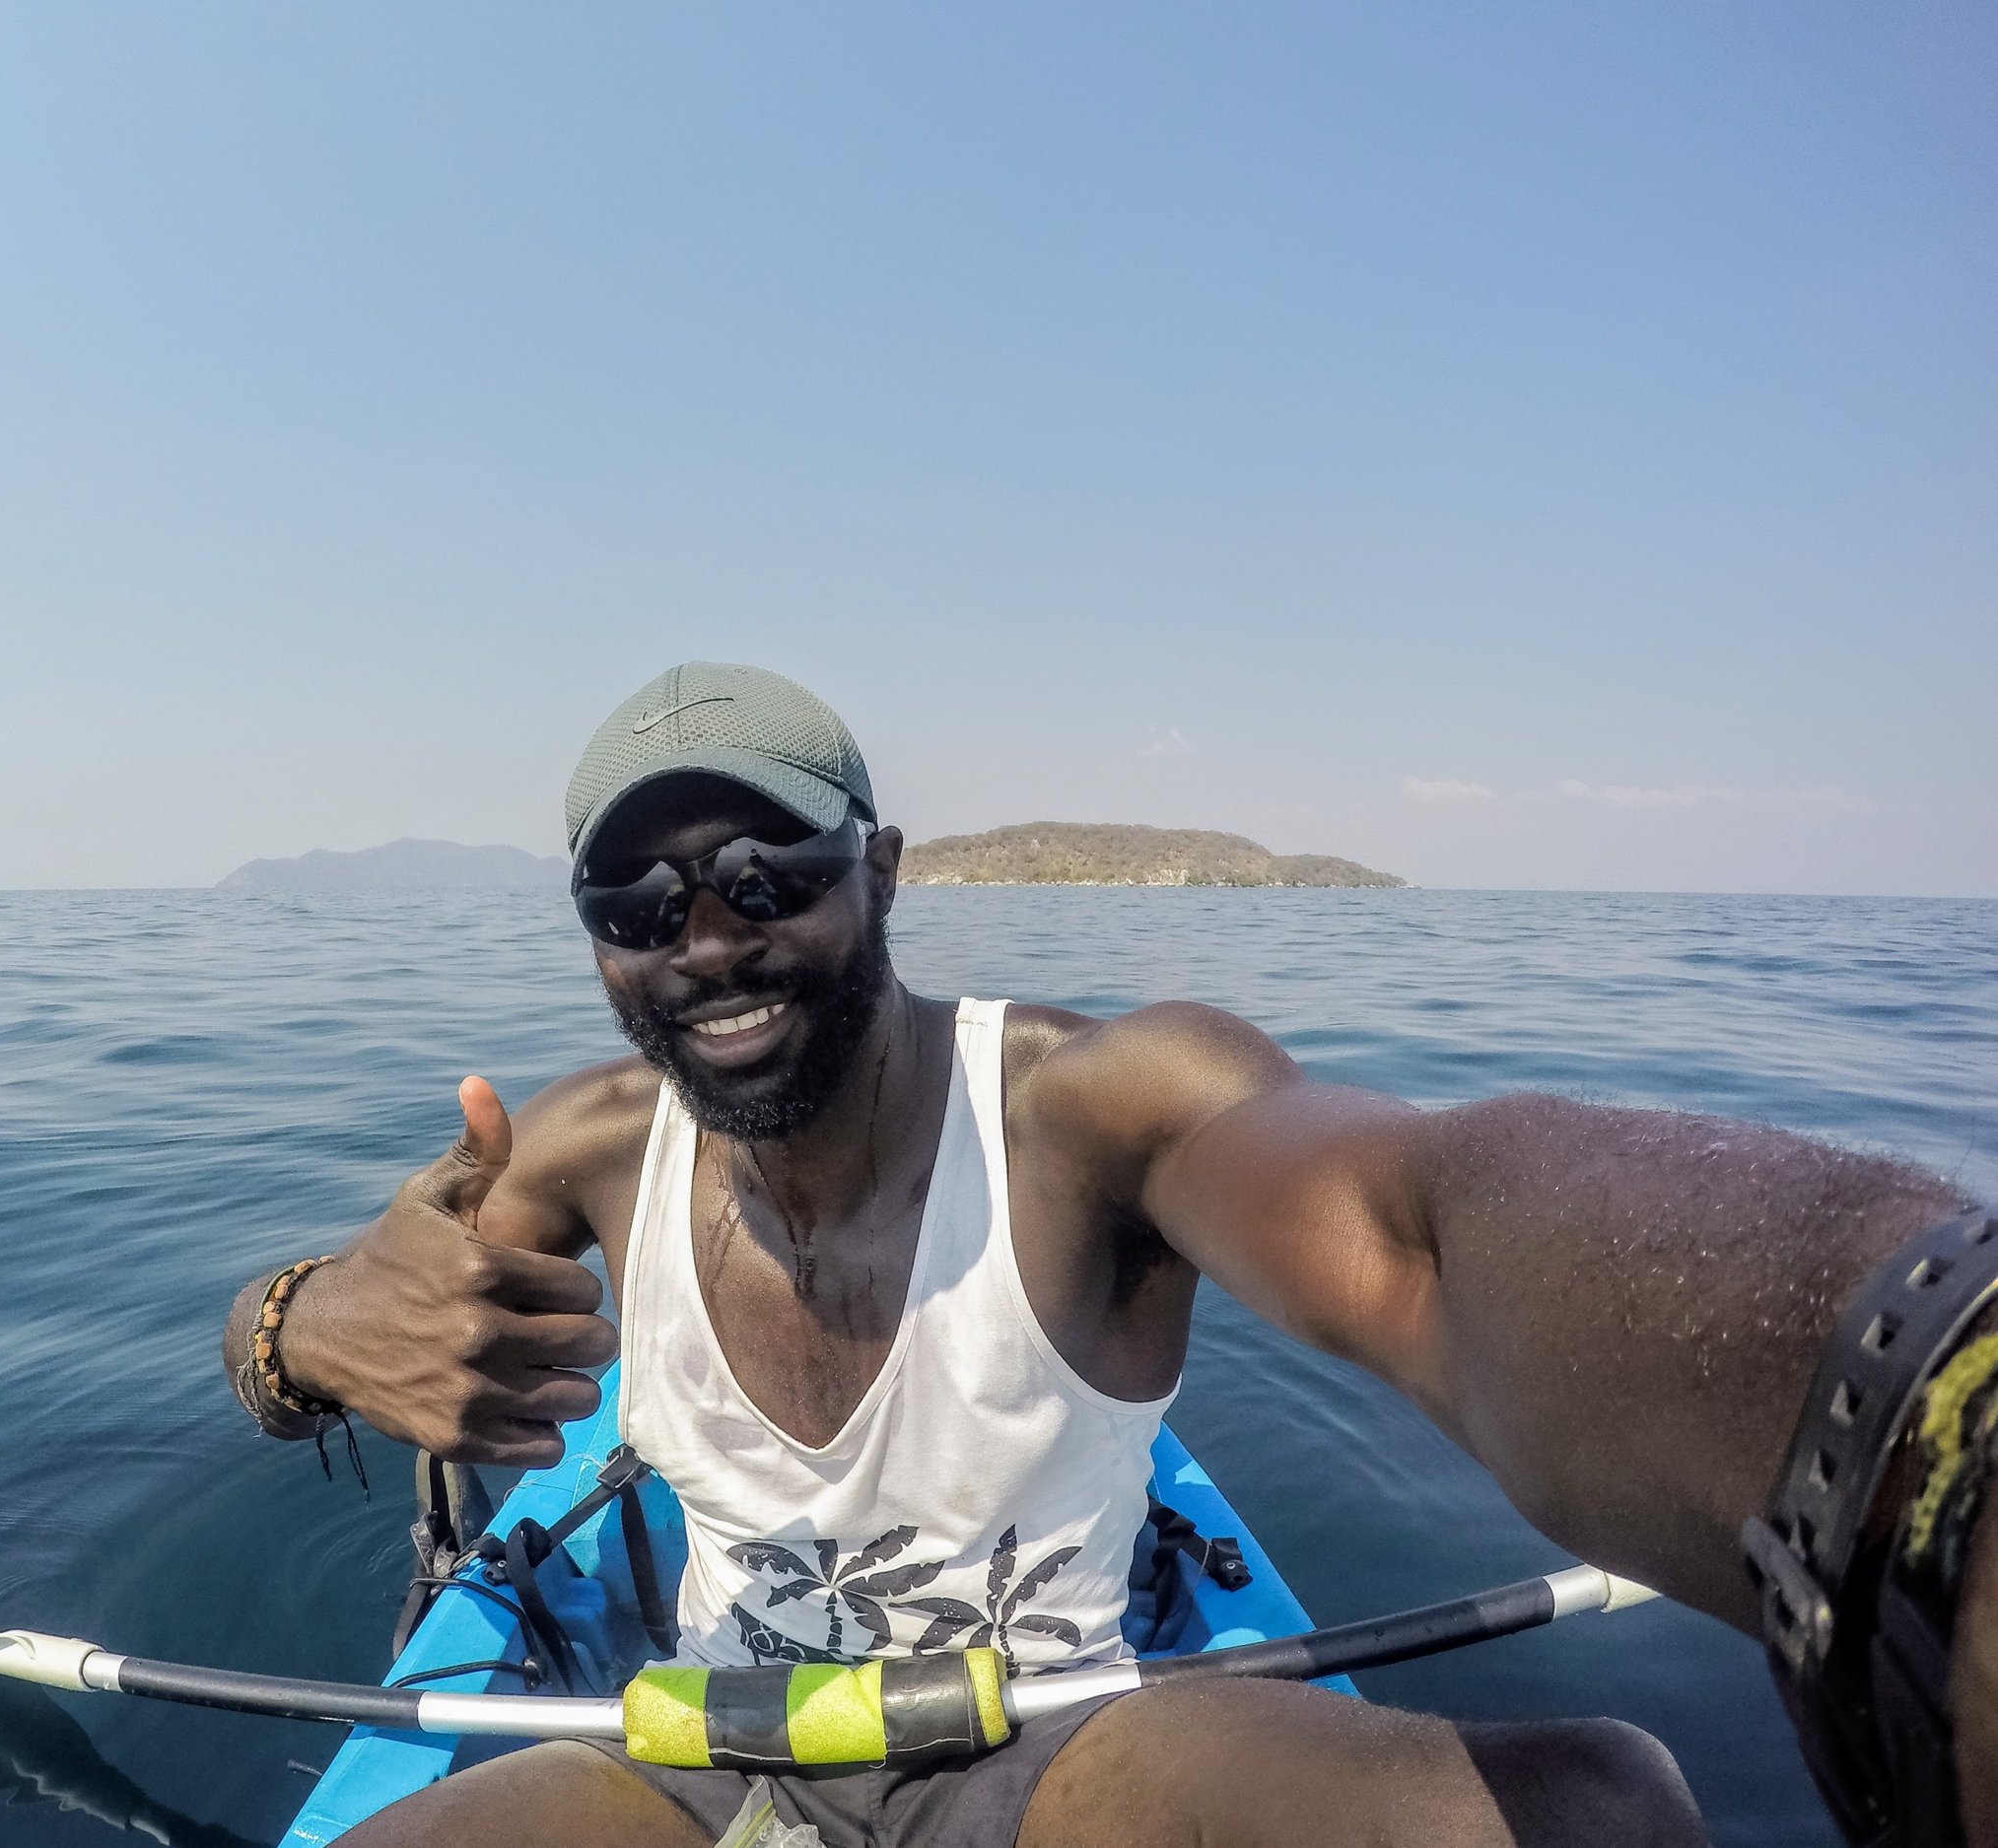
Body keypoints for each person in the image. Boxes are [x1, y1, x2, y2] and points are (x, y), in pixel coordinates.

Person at [224, 662, 1993, 1847]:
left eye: (768, 876)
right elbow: (324, 1310)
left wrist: (1912, 1396)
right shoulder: (585, 1146)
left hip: (1055, 1737)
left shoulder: (1091, 1108)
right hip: (702, 1743)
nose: (707, 944)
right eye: (640, 907)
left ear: (885, 871)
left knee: (1603, 1809)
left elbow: (1425, 1238)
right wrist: (305, 1326)